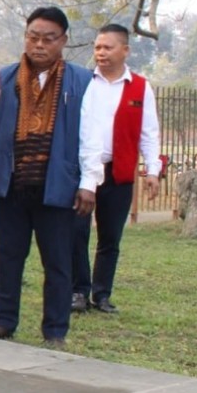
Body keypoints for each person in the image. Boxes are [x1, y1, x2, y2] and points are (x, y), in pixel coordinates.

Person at [0, 6, 101, 349]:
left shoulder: (83, 81)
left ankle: (55, 330)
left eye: (48, 39)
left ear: (64, 42)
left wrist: (88, 184)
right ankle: (4, 320)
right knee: (9, 256)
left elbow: (92, 138)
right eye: (33, 37)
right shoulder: (5, 78)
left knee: (57, 261)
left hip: (57, 186)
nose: (39, 45)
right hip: (10, 183)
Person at [72, 23, 162, 314]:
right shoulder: (85, 83)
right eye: (97, 47)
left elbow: (149, 132)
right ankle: (78, 292)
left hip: (119, 172)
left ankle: (102, 294)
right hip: (85, 170)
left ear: (125, 50)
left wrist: (152, 170)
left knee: (110, 237)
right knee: (77, 232)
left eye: (108, 47)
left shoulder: (139, 87)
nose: (101, 53)